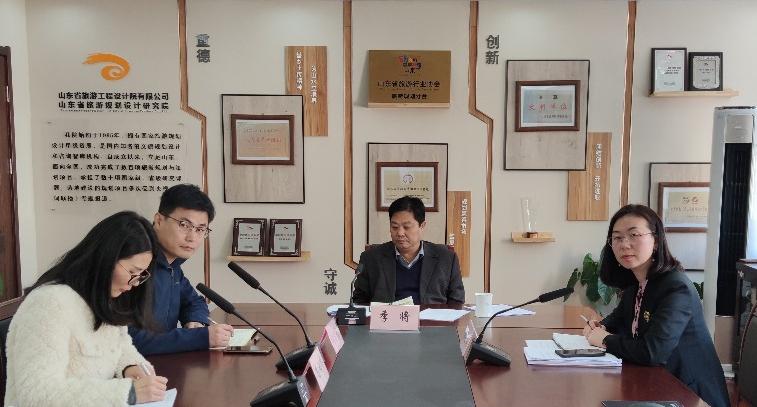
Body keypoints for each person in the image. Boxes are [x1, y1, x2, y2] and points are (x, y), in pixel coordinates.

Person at [5, 211, 168, 406]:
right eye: (132, 272)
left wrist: (130, 366)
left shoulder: (105, 297)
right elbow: (36, 393)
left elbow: (121, 346)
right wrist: (127, 393)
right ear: (106, 258)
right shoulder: (49, 303)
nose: (134, 283)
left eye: (141, 275)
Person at [583, 204, 729, 407]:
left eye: (634, 235)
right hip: (654, 384)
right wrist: (600, 326)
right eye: (617, 237)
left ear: (656, 241)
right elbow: (617, 319)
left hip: (690, 394)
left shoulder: (676, 287)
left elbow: (653, 352)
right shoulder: (636, 283)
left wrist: (605, 339)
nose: (624, 244)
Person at [129, 184, 233, 355]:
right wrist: (199, 337)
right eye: (184, 225)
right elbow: (129, 340)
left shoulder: (173, 265)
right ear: (159, 220)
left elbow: (194, 302)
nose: (192, 237)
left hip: (161, 364)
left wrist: (195, 321)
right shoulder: (134, 264)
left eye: (200, 229)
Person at [352, 195, 465, 304]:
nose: (400, 233)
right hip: (387, 317)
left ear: (422, 226)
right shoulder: (371, 258)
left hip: (430, 317)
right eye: (395, 227)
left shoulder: (446, 258)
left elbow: (457, 301)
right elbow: (359, 301)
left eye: (407, 227)